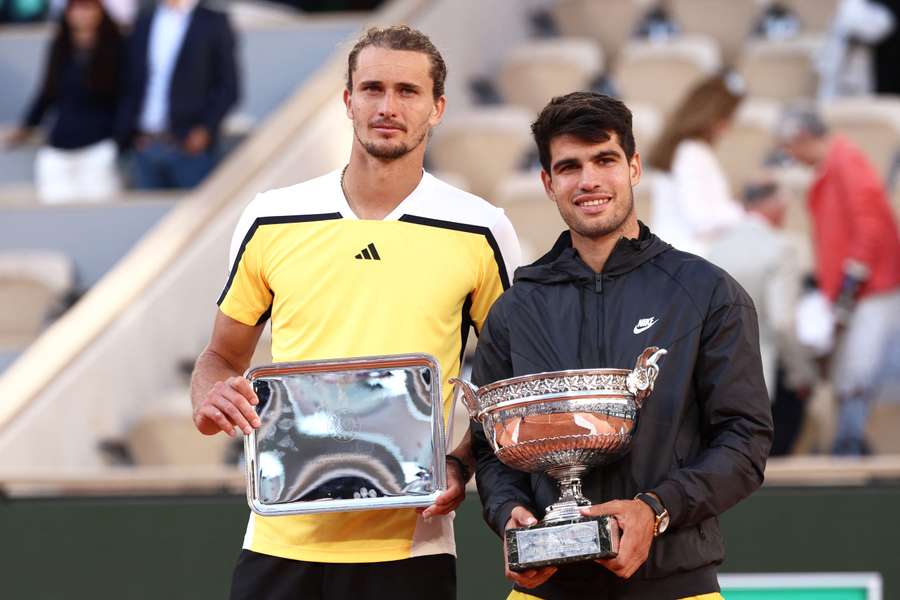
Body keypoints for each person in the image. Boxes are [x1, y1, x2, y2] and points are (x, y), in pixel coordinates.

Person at [190, 25, 521, 600]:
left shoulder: (480, 228)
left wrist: (460, 463)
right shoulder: (271, 217)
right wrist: (209, 393)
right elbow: (220, 357)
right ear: (348, 101)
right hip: (277, 543)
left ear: (437, 107)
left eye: (407, 91)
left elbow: (509, 382)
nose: (387, 106)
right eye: (371, 88)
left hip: (410, 548)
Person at [470, 92, 773, 599]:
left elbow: (745, 440)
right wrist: (509, 516)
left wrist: (655, 509)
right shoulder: (516, 309)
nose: (588, 181)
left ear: (633, 167)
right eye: (569, 167)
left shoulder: (706, 293)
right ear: (548, 183)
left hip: (676, 585)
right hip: (546, 589)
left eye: (604, 160)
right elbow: (490, 448)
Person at [777, 104, 900, 455]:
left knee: (857, 374)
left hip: (872, 290)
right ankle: (850, 445)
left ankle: (850, 449)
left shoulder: (846, 160)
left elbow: (869, 228)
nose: (788, 155)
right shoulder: (835, 164)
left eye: (788, 147)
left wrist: (848, 291)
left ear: (801, 138)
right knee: (849, 373)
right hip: (859, 291)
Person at [707, 178, 817, 455]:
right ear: (772, 205)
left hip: (721, 371)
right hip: (766, 371)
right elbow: (782, 322)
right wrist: (802, 374)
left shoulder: (715, 250)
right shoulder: (780, 248)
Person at [4, 0, 122, 203]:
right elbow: (47, 94)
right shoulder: (61, 48)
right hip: (60, 148)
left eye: (87, 8)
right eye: (76, 9)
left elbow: (126, 97)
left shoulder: (116, 49)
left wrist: (121, 138)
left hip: (97, 148)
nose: (82, 15)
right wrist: (25, 127)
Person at [116, 0, 239, 189]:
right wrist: (131, 133)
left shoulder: (212, 22)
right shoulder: (145, 22)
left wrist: (204, 130)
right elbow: (130, 81)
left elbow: (228, 86)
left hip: (189, 146)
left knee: (197, 215)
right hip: (145, 144)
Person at [646, 73, 745, 258]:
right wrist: (745, 210)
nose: (730, 125)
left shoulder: (683, 150)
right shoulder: (691, 153)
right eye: (728, 116)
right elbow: (701, 221)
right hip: (688, 263)